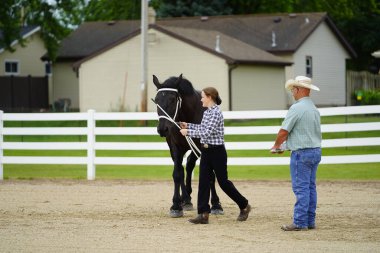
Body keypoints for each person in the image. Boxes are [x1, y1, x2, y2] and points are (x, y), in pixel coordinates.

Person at [180, 87, 251, 224]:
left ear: (209, 97)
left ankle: (244, 205)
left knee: (223, 183)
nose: (201, 99)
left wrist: (187, 132)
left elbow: (206, 133)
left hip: (217, 152)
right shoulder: (207, 112)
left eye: (202, 97)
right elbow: (202, 128)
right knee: (203, 182)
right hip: (206, 152)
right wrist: (187, 125)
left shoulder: (216, 113)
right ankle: (203, 214)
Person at [271, 76, 322, 231]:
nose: (292, 92)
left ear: (299, 89)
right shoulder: (313, 108)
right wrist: (286, 146)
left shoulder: (297, 108)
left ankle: (299, 222)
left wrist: (277, 145)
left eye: (293, 89)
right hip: (315, 150)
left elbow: (283, 131)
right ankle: (309, 220)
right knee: (310, 187)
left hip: (302, 154)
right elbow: (304, 133)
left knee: (301, 188)